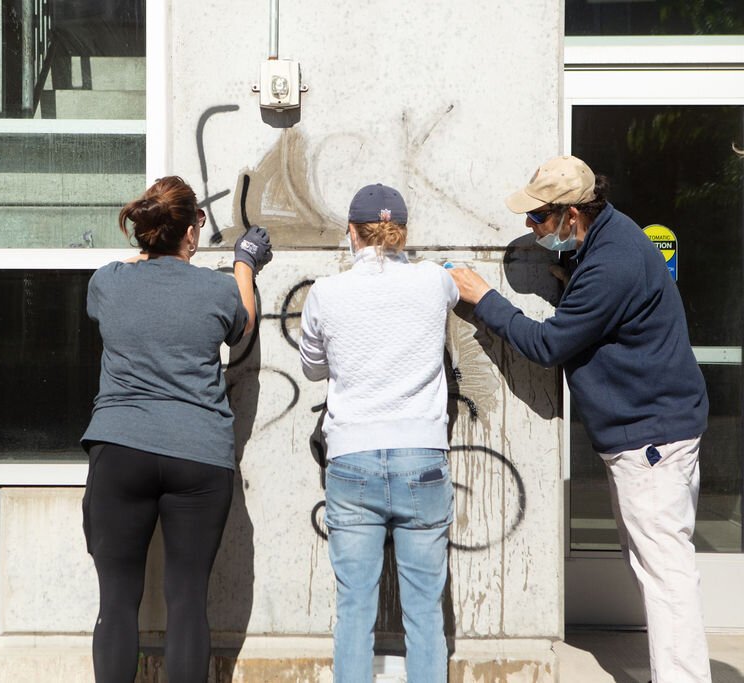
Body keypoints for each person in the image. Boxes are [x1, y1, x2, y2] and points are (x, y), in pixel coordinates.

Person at [449, 155, 711, 683]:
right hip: (653, 430)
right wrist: (572, 279)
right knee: (660, 569)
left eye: (540, 218)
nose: (531, 227)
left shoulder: (612, 261)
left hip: (651, 441)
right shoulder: (610, 241)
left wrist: (486, 300)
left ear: (572, 214)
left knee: (665, 576)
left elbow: (549, 345)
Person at [80, 176, 272, 682]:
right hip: (198, 454)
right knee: (188, 599)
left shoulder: (108, 281)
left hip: (121, 448)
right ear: (192, 229)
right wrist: (244, 263)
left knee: (117, 601)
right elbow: (245, 324)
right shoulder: (218, 288)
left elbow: (119, 305)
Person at [299, 183, 458, 683]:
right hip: (423, 459)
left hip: (352, 460)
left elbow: (312, 368)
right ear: (403, 233)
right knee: (425, 612)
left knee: (354, 610)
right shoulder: (435, 282)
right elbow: (456, 284)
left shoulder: (326, 292)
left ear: (351, 233)